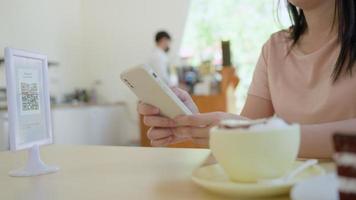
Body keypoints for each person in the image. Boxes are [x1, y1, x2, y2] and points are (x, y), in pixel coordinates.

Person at [138, 0, 356, 159]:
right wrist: (194, 121)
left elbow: (251, 132)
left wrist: (259, 134)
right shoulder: (275, 48)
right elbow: (245, 131)